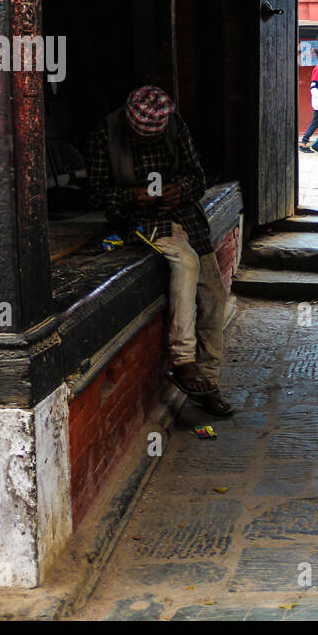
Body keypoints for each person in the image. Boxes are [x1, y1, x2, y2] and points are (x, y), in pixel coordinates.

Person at [87, 85, 234, 417]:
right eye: (143, 140)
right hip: (138, 221)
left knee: (213, 297)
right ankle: (183, 360)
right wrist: (132, 196)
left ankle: (206, 383)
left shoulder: (174, 126)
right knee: (185, 261)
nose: (150, 143)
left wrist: (178, 190)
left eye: (156, 137)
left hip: (184, 218)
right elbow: (95, 196)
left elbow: (198, 178)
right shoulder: (105, 135)